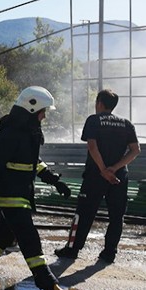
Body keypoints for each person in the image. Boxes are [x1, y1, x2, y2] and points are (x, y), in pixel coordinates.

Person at [0, 86, 81, 290]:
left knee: (2, 236)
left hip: (22, 193)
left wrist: (53, 179)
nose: (45, 116)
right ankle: (53, 289)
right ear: (31, 108)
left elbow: (32, 162)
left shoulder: (27, 132)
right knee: (29, 239)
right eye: (43, 111)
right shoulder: (11, 134)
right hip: (10, 195)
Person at [55, 89, 140, 264]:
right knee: (117, 217)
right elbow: (135, 150)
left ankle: (72, 250)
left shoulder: (93, 120)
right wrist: (114, 169)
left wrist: (103, 170)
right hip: (119, 177)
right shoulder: (126, 123)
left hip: (95, 175)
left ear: (99, 103)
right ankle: (109, 253)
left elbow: (92, 147)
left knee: (84, 213)